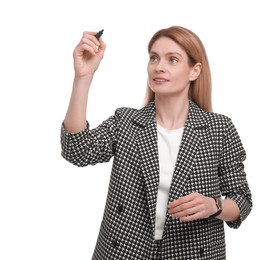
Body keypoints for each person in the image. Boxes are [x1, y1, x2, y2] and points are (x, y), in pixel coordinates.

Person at [61, 25, 252, 260]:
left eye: (173, 60)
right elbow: (77, 150)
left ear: (194, 71)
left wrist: (214, 206)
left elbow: (242, 200)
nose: (159, 66)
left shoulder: (219, 129)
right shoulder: (127, 121)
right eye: (154, 58)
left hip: (192, 253)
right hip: (124, 253)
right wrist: (83, 77)